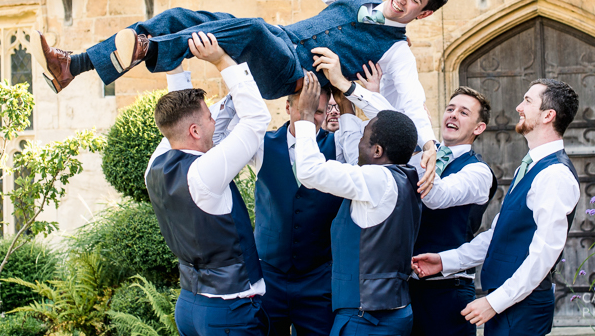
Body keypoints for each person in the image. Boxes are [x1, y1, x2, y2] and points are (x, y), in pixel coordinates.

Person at [30, 0, 448, 164]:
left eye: (413, 0)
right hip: (278, 35)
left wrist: (428, 146)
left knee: (247, 30)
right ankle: (73, 66)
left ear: (423, 13)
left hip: (293, 73)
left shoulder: (396, 51)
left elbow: (410, 104)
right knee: (182, 14)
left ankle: (149, 47)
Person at [312, 49, 498, 336]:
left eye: (464, 112)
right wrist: (354, 105)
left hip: (445, 292)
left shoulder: (478, 172)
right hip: (402, 293)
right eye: (450, 108)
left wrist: (420, 143)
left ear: (479, 127)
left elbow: (433, 195)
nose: (452, 115)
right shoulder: (420, 154)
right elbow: (369, 151)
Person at [152, 72, 354, 336]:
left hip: (317, 279)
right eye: (305, 109)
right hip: (269, 275)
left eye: (317, 112)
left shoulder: (339, 147)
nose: (311, 118)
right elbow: (211, 142)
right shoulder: (261, 144)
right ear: (288, 107)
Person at [411, 79, 581, 336]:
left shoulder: (555, 174)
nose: (518, 106)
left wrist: (495, 302)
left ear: (548, 115)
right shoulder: (531, 167)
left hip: (522, 308)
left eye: (527, 101)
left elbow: (543, 256)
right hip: (508, 304)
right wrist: (445, 261)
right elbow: (497, 235)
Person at [144, 32, 271, 336]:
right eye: (209, 117)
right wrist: (222, 61)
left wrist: (173, 63)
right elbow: (256, 120)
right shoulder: (204, 173)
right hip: (228, 313)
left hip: (189, 304)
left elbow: (179, 113)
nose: (215, 121)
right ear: (194, 130)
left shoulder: (155, 163)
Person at [293, 71, 423, 336]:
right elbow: (356, 155)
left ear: (377, 151)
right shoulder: (405, 174)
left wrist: (305, 118)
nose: (359, 140)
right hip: (392, 312)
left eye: (365, 135)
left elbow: (309, 171)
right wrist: (346, 106)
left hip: (366, 320)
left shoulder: (376, 180)